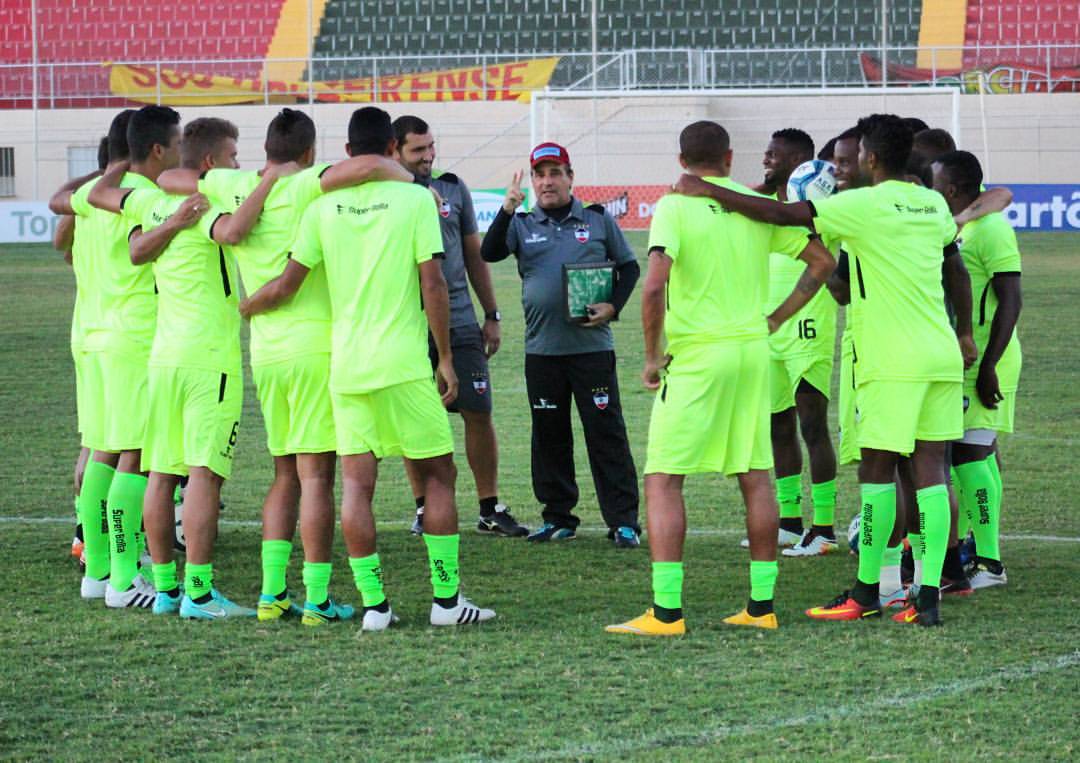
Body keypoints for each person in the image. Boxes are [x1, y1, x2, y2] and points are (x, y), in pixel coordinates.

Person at [672, 114, 974, 627]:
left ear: (872, 159)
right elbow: (955, 268)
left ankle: (866, 592)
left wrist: (705, 189)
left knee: (878, 470)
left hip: (892, 360)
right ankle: (926, 597)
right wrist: (964, 332)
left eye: (856, 155)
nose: (850, 163)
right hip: (941, 353)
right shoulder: (931, 203)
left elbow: (782, 215)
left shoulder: (858, 205)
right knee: (930, 469)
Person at [240, 106, 496, 630]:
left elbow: (288, 284)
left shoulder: (321, 207)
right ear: (391, 149)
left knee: (357, 486)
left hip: (348, 367)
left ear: (350, 152)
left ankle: (375, 605)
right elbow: (433, 284)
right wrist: (444, 357)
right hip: (402, 362)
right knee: (439, 476)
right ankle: (446, 602)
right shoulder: (416, 199)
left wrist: (247, 305)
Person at [156, 108, 414, 623]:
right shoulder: (307, 185)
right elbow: (364, 168)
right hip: (316, 347)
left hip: (266, 353)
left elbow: (167, 176)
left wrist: (257, 177)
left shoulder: (234, 182)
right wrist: (409, 179)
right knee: (317, 475)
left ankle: (273, 593)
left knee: (284, 474)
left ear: (267, 151)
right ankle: (317, 598)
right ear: (309, 152)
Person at [605, 120, 835, 636]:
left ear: (682, 159)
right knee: (756, 474)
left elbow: (653, 287)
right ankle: (761, 607)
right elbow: (822, 263)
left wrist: (650, 355)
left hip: (700, 356)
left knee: (664, 477)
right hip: (753, 352)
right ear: (730, 157)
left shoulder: (676, 204)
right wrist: (775, 317)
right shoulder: (750, 206)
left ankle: (666, 612)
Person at [90, 117, 286, 619]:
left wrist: (132, 178)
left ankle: (163, 589)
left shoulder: (147, 200)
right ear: (211, 163)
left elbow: (102, 201)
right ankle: (198, 592)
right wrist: (271, 178)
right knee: (203, 474)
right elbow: (237, 230)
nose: (238, 165)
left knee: (160, 473)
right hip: (207, 360)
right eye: (234, 157)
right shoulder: (204, 205)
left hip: (163, 357)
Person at [49, 106, 179, 609]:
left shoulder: (88, 196)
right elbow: (143, 250)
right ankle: (124, 579)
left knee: (102, 449)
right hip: (134, 341)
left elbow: (60, 206)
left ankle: (98, 572)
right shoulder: (141, 198)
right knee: (137, 459)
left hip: (92, 337)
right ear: (155, 148)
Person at [481, 142, 641, 547]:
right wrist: (506, 210)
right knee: (549, 437)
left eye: (555, 173)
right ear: (532, 181)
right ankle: (558, 518)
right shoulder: (521, 222)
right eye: (540, 174)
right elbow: (489, 252)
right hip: (542, 353)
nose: (547, 181)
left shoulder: (597, 219)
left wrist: (613, 306)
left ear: (570, 176)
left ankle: (623, 521)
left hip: (592, 351)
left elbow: (630, 266)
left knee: (606, 435)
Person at [391, 115, 527, 538]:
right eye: (418, 150)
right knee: (416, 420)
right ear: (394, 152)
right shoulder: (387, 195)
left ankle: (489, 506)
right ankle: (421, 508)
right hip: (408, 323)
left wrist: (492, 313)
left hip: (460, 319)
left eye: (431, 146)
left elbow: (473, 256)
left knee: (478, 411)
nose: (429, 156)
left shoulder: (453, 187)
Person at [933, 150, 1020, 590]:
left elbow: (1011, 300)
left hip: (986, 360)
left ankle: (990, 563)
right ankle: (977, 552)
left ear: (949, 187)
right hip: (967, 359)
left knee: (972, 454)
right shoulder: (963, 227)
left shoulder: (992, 230)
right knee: (967, 454)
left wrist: (990, 366)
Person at [756, 128, 840, 557]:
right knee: (777, 423)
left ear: (801, 163)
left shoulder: (824, 203)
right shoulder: (765, 203)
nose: (766, 160)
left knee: (812, 423)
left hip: (808, 321)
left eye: (774, 155)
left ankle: (823, 527)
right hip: (767, 327)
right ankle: (789, 521)